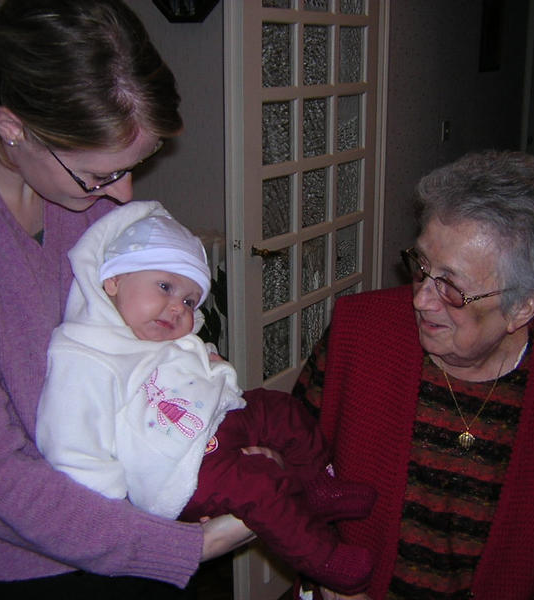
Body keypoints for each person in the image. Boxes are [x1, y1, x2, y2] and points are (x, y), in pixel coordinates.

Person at [0, 1, 252, 597]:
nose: (121, 197)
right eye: (98, 176)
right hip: (27, 565)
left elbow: (138, 339)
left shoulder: (75, 186)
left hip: (139, 514)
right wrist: (194, 545)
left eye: (132, 167)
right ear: (15, 128)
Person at [292, 150, 534, 600]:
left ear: (524, 306)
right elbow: (291, 461)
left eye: (451, 286)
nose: (421, 300)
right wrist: (325, 569)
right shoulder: (360, 333)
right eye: (422, 266)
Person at [36, 200, 376, 595]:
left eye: (188, 300)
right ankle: (325, 559)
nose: (176, 307)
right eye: (165, 286)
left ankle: (314, 483)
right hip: (182, 468)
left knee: (280, 409)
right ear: (112, 280)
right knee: (260, 486)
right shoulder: (86, 353)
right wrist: (120, 514)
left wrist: (208, 369)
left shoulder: (159, 335)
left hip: (216, 421)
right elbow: (73, 448)